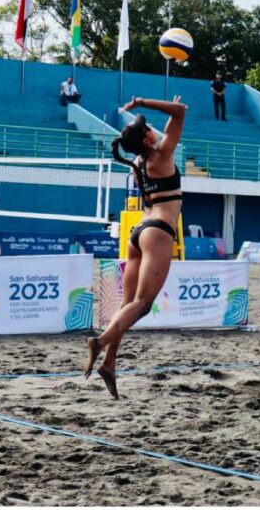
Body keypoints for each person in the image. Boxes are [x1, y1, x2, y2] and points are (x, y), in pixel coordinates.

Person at [84, 96, 187, 398]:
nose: (152, 129)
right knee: (141, 305)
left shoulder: (138, 164)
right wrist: (143, 102)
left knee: (127, 304)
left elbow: (172, 120)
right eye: (147, 128)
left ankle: (109, 362)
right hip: (157, 232)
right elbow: (180, 113)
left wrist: (154, 114)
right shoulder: (161, 155)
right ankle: (100, 342)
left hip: (138, 232)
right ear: (146, 138)